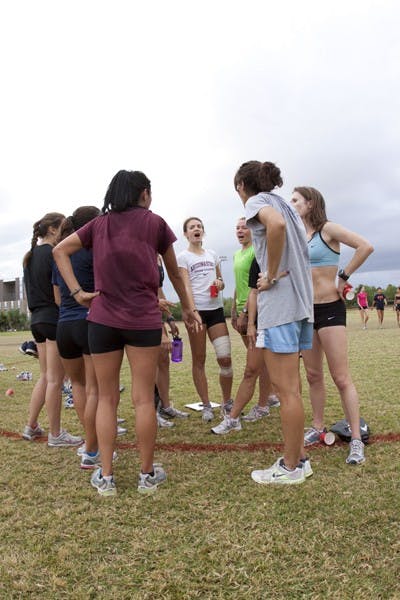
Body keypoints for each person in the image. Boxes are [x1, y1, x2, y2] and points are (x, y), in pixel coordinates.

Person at [53, 170, 200, 496]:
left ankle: (105, 477)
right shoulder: (155, 223)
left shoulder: (99, 224)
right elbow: (173, 271)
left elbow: (59, 251)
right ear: (144, 193)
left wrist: (77, 293)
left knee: (106, 398)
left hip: (102, 321)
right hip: (143, 321)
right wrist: (188, 306)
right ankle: (146, 475)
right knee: (143, 399)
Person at [234, 161, 314, 485]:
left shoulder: (259, 203)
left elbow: (275, 226)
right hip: (299, 305)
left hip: (280, 309)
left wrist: (268, 273)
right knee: (291, 389)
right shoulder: (284, 203)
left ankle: (291, 467)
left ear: (241, 185)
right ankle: (302, 459)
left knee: (287, 391)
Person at [291, 186, 374, 465]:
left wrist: (344, 275)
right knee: (313, 375)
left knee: (341, 377)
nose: (292, 204)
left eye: (295, 200)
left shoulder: (328, 229)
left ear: (310, 202)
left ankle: (356, 441)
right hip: (307, 312)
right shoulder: (299, 236)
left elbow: (366, 246)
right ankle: (317, 428)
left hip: (330, 309)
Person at [22, 212, 83, 448]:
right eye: (62, 229)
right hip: (52, 318)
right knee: (56, 379)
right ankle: (56, 434)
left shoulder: (30, 256)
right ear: (52, 230)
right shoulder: (54, 253)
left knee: (47, 376)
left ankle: (32, 426)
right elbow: (59, 293)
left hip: (36, 320)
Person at [52, 206, 103, 469]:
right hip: (88, 323)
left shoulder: (61, 253)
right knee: (95, 390)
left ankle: (88, 443)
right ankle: (93, 450)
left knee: (79, 387)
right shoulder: (93, 251)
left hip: (64, 327)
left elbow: (57, 297)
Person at [177, 217, 233, 422]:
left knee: (225, 358)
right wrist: (192, 311)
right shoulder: (183, 257)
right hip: (197, 312)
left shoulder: (213, 254)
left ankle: (227, 403)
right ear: (186, 234)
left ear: (203, 232)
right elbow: (186, 286)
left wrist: (219, 283)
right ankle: (207, 405)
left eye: (199, 226)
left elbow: (222, 282)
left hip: (216, 310)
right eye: (192, 227)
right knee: (199, 359)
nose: (196, 229)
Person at [231, 218, 278, 419]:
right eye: (237, 228)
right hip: (243, 308)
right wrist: (234, 307)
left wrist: (246, 314)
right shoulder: (236, 254)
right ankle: (269, 397)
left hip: (255, 310)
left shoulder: (255, 251)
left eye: (244, 227)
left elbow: (255, 287)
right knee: (259, 361)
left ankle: (264, 401)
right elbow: (240, 284)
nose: (240, 231)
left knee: (259, 362)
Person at [156, 254, 189, 427]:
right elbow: (146, 292)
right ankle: (151, 411)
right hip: (143, 315)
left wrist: (169, 318)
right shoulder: (141, 251)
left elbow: (158, 289)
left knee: (163, 361)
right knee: (149, 365)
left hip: (156, 312)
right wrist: (161, 331)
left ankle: (165, 406)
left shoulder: (158, 257)